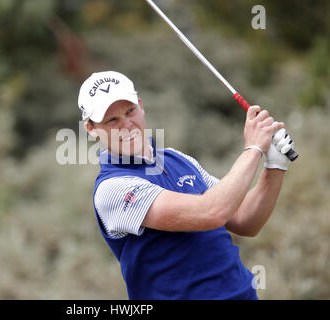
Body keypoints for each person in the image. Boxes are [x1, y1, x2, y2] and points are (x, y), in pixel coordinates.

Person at [78, 70, 294, 300]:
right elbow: (212, 212)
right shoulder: (112, 189)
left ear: (141, 106)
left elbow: (245, 220)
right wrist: (253, 149)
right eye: (112, 120)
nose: (126, 125)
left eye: (130, 111)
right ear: (91, 129)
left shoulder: (177, 158)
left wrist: (274, 165)